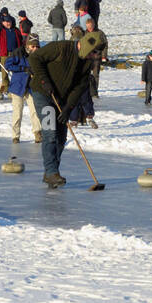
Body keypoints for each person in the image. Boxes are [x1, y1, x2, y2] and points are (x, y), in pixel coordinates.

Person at [29, 31, 106, 187]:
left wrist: (68, 108)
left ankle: (51, 172)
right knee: (50, 132)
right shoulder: (60, 48)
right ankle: (51, 172)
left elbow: (79, 88)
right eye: (94, 52)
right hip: (43, 94)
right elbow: (35, 58)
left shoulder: (86, 63)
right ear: (87, 45)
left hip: (62, 99)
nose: (95, 56)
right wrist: (45, 81)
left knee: (61, 137)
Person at [5, 36, 44, 143]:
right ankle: (15, 136)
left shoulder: (39, 55)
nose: (35, 48)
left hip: (31, 87)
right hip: (18, 86)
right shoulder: (18, 53)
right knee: (17, 112)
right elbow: (7, 65)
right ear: (27, 45)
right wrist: (22, 69)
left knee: (35, 111)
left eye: (37, 46)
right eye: (33, 46)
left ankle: (37, 132)